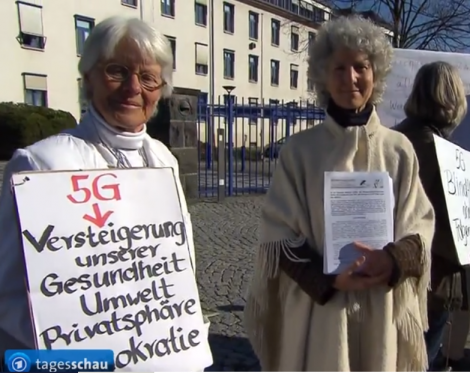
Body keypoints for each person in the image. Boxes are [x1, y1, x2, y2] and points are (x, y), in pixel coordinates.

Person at [244, 15, 435, 371]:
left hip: (381, 303)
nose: (351, 78)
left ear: (375, 73)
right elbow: (277, 233)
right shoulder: (299, 151)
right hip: (321, 312)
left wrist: (392, 260)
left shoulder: (399, 149)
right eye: (339, 67)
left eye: (361, 66)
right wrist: (329, 279)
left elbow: (420, 225)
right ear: (323, 76)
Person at [0, 16, 198, 355]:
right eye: (117, 71)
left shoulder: (164, 159)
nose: (133, 88)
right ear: (88, 78)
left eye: (148, 78)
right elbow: (8, 296)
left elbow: (179, 266)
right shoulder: (41, 165)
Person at [394, 61, 469, 371]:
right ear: (452, 98)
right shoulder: (443, 154)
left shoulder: (394, 138)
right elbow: (453, 237)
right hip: (431, 282)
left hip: (390, 274)